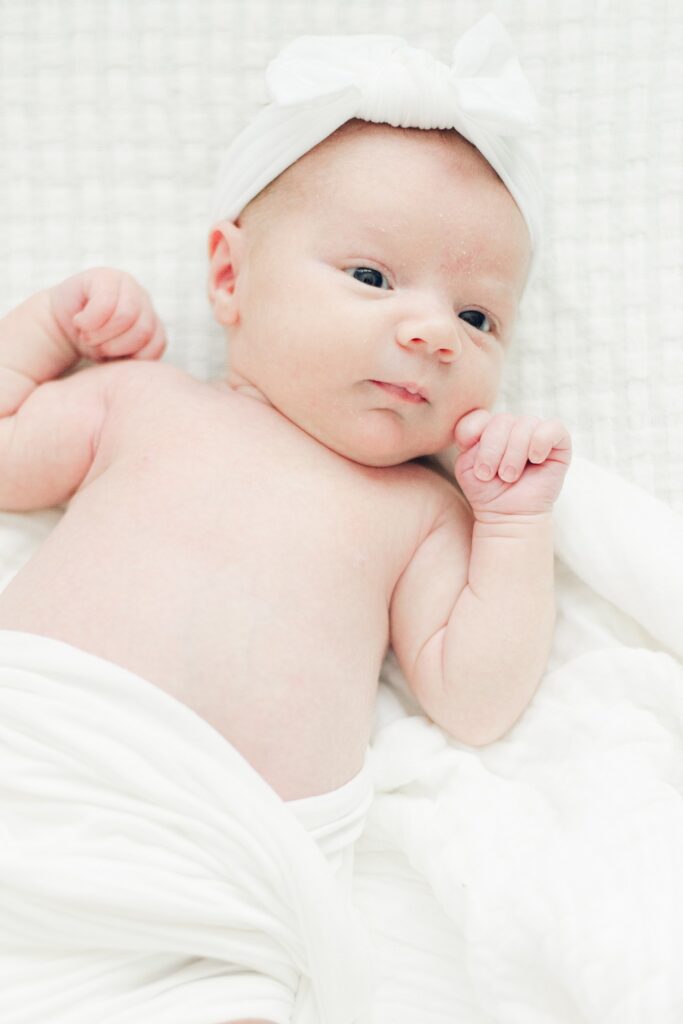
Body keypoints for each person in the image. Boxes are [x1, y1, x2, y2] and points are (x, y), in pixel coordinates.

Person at [0, 16, 571, 1024]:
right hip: (42, 766)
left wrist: (513, 528)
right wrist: (43, 329)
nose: (432, 330)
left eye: (479, 317)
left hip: (221, 873)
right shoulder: (143, 400)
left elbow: (476, 699)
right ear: (228, 275)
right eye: (370, 276)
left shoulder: (421, 511)